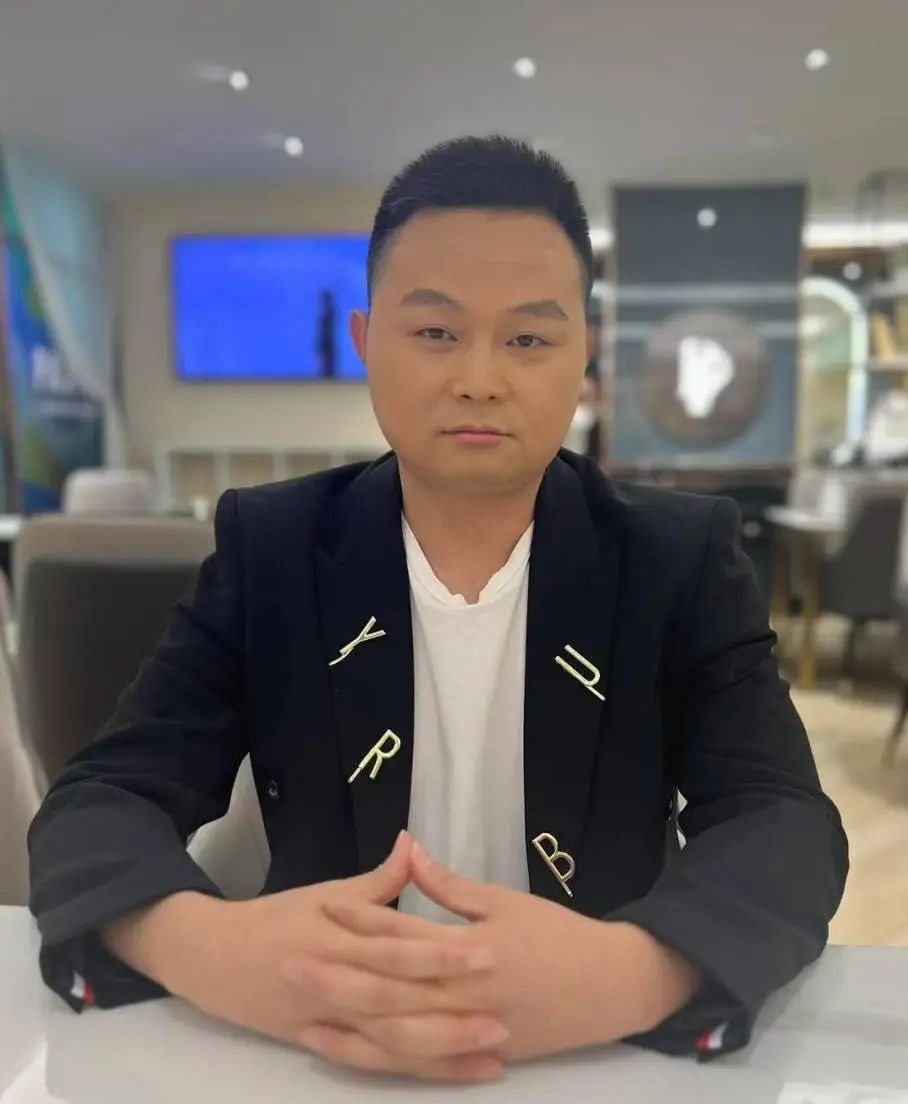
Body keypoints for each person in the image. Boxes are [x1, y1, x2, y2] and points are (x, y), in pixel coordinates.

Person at [28, 136, 848, 1085]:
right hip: (313, 1059)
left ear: (584, 352)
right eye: (434, 333)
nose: (480, 378)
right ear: (365, 342)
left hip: (594, 1059)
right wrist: (215, 948)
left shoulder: (676, 557)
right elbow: (99, 802)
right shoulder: (273, 547)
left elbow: (784, 822)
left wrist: (632, 973)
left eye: (528, 339)